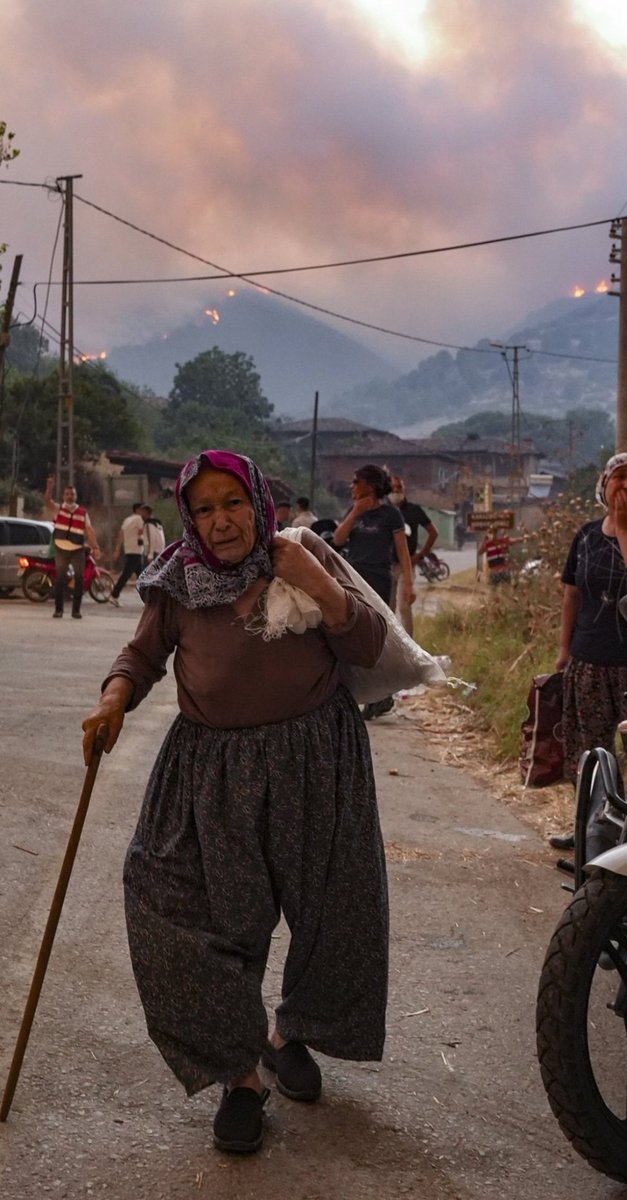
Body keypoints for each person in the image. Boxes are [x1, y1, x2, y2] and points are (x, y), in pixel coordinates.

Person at [81, 449, 388, 1156]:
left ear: (257, 502)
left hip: (317, 759)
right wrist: (112, 701)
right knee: (179, 906)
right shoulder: (175, 584)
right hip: (210, 769)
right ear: (187, 519)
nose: (221, 522)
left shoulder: (303, 556)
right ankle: (240, 1073)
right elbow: (140, 656)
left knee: (333, 909)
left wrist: (321, 586)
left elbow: (368, 644)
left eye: (233, 503)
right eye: (204, 509)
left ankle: (290, 1034)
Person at [551, 452, 627, 851]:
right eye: (617, 477)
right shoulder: (586, 534)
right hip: (588, 662)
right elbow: (572, 594)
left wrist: (623, 529)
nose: (626, 485)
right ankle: (588, 831)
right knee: (589, 751)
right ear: (603, 487)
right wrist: (564, 651)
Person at [333, 464, 414, 719]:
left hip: (379, 580)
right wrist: (355, 513)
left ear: (370, 485)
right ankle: (355, 693)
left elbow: (403, 552)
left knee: (378, 636)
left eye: (356, 482)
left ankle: (382, 697)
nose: (352, 487)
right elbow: (337, 539)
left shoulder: (390, 515)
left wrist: (409, 584)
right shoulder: (355, 511)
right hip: (352, 580)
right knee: (351, 634)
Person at [43, 476, 102, 620]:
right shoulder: (59, 509)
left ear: (76, 496)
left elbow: (89, 529)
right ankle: (59, 610)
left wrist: (96, 547)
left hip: (77, 549)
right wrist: (50, 487)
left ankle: (76, 611)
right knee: (60, 579)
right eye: (67, 494)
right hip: (61, 549)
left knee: (79, 579)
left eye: (72, 494)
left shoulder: (82, 512)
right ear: (64, 496)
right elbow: (47, 501)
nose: (70, 496)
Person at [389, 475, 439, 636]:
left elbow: (433, 532)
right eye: (393, 488)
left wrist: (420, 555)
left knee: (404, 606)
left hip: (407, 564)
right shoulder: (383, 511)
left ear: (404, 490)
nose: (396, 491)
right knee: (387, 607)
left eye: (399, 488)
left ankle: (409, 646)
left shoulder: (414, 510)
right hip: (386, 565)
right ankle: (386, 645)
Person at [110, 503, 145, 606]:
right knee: (127, 575)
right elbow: (141, 532)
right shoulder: (139, 519)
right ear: (138, 510)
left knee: (141, 576)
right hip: (136, 551)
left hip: (129, 550)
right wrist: (142, 541)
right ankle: (114, 595)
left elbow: (121, 534)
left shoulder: (127, 520)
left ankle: (147, 599)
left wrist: (117, 549)